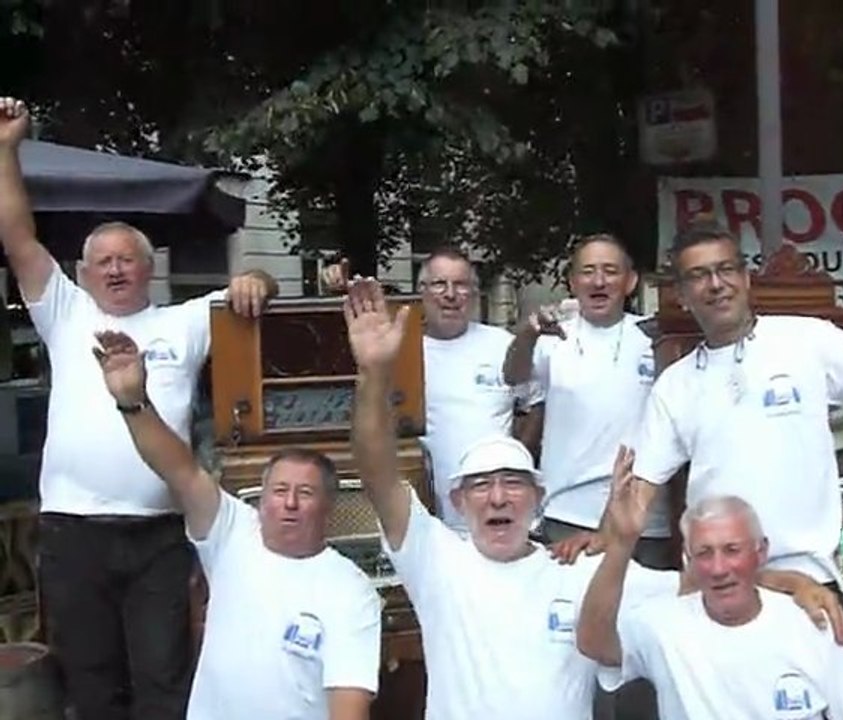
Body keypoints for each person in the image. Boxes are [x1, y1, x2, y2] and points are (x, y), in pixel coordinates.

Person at [343, 277, 839, 720]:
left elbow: (699, 584)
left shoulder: (577, 570)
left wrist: (792, 582)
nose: (498, 497)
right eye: (482, 484)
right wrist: (375, 376)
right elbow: (377, 470)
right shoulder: (436, 558)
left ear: (539, 498)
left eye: (514, 483)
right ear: (459, 498)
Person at [0, 96, 279, 720]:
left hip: (158, 535)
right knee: (93, 686)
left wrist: (257, 279)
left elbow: (261, 285)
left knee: (162, 680)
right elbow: (17, 236)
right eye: (104, 262)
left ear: (151, 270)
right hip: (72, 532)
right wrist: (5, 149)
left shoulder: (184, 321)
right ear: (83, 272)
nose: (117, 269)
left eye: (129, 259)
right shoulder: (65, 313)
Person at [627, 218, 843, 621]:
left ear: (745, 278)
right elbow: (638, 491)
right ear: (682, 294)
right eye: (698, 275)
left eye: (725, 269)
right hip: (723, 588)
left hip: (814, 584)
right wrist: (602, 541)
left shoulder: (808, 339)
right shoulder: (673, 385)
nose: (715, 284)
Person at [92, 330, 380, 720]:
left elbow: (350, 704)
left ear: (329, 507)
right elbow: (179, 469)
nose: (289, 503)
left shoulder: (352, 590)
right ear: (261, 500)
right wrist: (132, 401)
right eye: (279, 490)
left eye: (305, 493)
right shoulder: (232, 533)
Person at [576, 478, 843, 720]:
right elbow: (593, 642)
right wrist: (621, 543)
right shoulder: (660, 624)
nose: (718, 568)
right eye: (704, 553)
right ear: (688, 559)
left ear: (761, 552)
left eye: (732, 550)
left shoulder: (812, 623)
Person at [502, 233, 671, 567]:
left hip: (643, 516)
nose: (598, 281)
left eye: (610, 271)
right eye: (588, 271)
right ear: (572, 281)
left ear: (631, 281)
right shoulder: (552, 338)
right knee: (573, 616)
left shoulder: (656, 338)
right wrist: (527, 335)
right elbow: (513, 376)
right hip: (568, 511)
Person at [418, 246, 542, 532]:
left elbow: (536, 405)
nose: (450, 294)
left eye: (461, 285)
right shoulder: (404, 354)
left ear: (475, 294)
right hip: (429, 518)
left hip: (498, 514)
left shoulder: (502, 345)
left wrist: (514, 460)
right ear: (422, 292)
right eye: (439, 284)